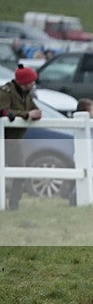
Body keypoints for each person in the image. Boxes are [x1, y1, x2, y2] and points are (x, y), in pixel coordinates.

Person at [0, 65, 42, 210]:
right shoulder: (6, 92)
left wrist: (36, 114)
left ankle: (14, 204)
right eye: (31, 82)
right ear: (23, 82)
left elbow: (34, 109)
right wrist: (26, 115)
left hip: (14, 142)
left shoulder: (28, 94)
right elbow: (4, 112)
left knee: (21, 172)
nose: (33, 84)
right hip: (2, 140)